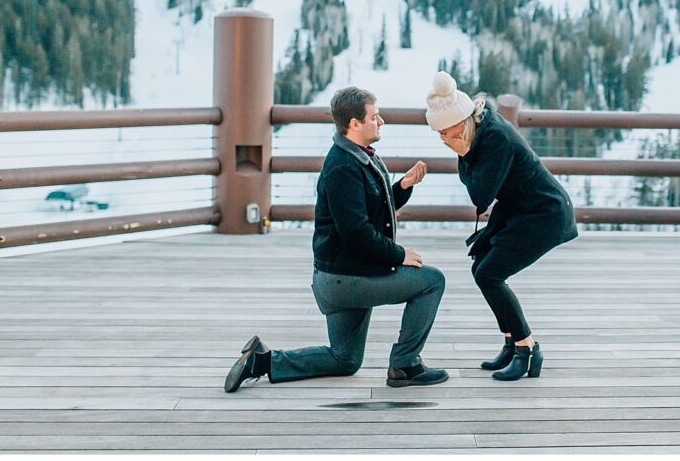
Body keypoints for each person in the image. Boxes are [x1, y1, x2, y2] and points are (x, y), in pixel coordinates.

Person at [224, 86, 449, 393]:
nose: (381, 121)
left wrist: (404, 186)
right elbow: (357, 234)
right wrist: (398, 255)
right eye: (374, 116)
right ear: (354, 124)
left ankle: (261, 362)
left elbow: (370, 212)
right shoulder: (343, 167)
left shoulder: (356, 157)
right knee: (432, 281)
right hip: (346, 279)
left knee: (345, 359)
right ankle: (405, 364)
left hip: (340, 277)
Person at [425, 71, 577, 381]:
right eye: (439, 133)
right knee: (482, 266)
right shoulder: (479, 132)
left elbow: (480, 196)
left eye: (448, 132)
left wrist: (464, 155)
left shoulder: (494, 139)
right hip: (522, 210)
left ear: (464, 121)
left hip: (545, 215)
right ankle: (511, 343)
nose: (444, 139)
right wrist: (465, 153)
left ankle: (527, 348)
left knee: (490, 273)